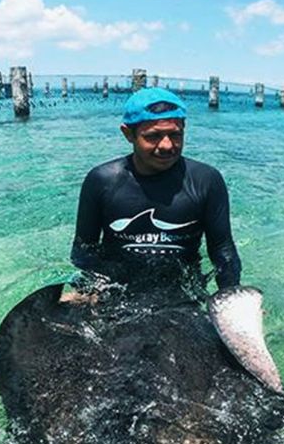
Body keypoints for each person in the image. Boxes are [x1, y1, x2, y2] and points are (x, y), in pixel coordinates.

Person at [65, 87, 241, 303]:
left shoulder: (207, 180)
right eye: (153, 136)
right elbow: (84, 249)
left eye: (175, 135)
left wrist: (233, 300)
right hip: (116, 292)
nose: (167, 145)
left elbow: (222, 249)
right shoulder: (102, 180)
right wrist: (86, 289)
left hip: (183, 294)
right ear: (128, 134)